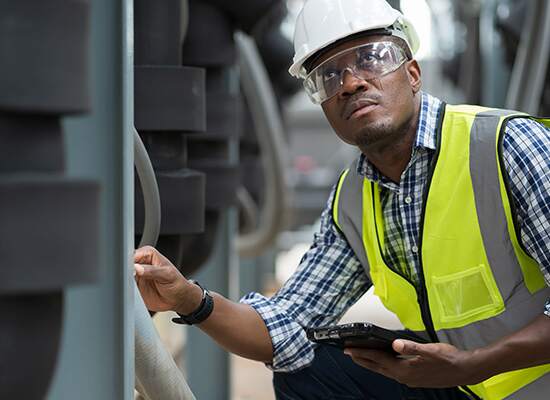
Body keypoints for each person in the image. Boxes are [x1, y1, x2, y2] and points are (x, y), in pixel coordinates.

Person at [134, 0, 550, 398]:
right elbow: (286, 327)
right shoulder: (354, 199)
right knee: (308, 370)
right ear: (322, 103)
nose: (351, 82)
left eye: (372, 58)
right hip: (468, 383)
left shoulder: (508, 145)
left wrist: (474, 363)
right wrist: (190, 297)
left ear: (413, 73)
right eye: (329, 76)